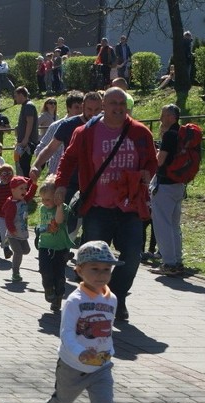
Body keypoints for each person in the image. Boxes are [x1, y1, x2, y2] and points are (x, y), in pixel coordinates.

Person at [55, 88, 158, 321]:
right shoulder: (86, 132)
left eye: (122, 103)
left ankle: (118, 297)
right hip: (97, 207)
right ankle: (90, 300)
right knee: (92, 257)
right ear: (104, 105)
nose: (118, 107)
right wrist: (61, 184)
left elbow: (152, 161)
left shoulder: (140, 132)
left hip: (129, 207)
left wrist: (146, 173)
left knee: (132, 255)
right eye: (113, 103)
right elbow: (68, 158)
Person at [36, 240, 131, 403]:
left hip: (101, 367)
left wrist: (109, 353)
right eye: (94, 269)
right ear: (79, 270)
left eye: (107, 269)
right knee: (63, 400)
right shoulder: (75, 301)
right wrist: (80, 353)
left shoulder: (112, 299)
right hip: (72, 365)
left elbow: (106, 332)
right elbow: (66, 333)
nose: (101, 275)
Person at [150, 104, 186, 277]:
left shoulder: (170, 135)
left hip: (165, 184)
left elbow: (160, 161)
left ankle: (169, 263)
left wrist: (155, 153)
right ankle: (177, 260)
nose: (160, 118)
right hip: (179, 184)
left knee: (162, 224)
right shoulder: (182, 134)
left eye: (163, 115)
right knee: (174, 224)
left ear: (172, 117)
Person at [37, 175, 75, 312]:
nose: (44, 202)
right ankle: (48, 289)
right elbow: (42, 226)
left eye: (48, 199)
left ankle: (58, 298)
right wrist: (40, 230)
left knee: (59, 275)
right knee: (44, 270)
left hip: (60, 248)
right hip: (45, 246)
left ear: (56, 197)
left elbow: (58, 221)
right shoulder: (43, 209)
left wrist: (59, 205)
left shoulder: (63, 208)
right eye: (42, 199)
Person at [33, 92, 84, 180]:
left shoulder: (87, 125)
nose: (80, 111)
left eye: (82, 107)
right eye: (77, 107)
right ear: (69, 108)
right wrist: (37, 165)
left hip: (79, 175)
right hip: (56, 174)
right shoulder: (57, 125)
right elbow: (41, 148)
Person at [2, 176, 37, 283]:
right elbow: (8, 219)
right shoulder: (12, 205)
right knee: (18, 252)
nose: (24, 191)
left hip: (22, 233)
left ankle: (6, 241)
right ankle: (15, 273)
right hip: (13, 233)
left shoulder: (24, 200)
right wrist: (11, 229)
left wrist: (34, 183)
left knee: (26, 251)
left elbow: (31, 193)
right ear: (13, 190)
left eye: (25, 188)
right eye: (21, 189)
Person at [13, 86, 39, 176]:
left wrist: (26, 139)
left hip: (28, 143)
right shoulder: (25, 105)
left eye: (15, 96)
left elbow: (30, 122)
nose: (15, 98)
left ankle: (27, 187)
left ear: (21, 95)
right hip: (25, 141)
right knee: (22, 165)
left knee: (25, 167)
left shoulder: (28, 105)